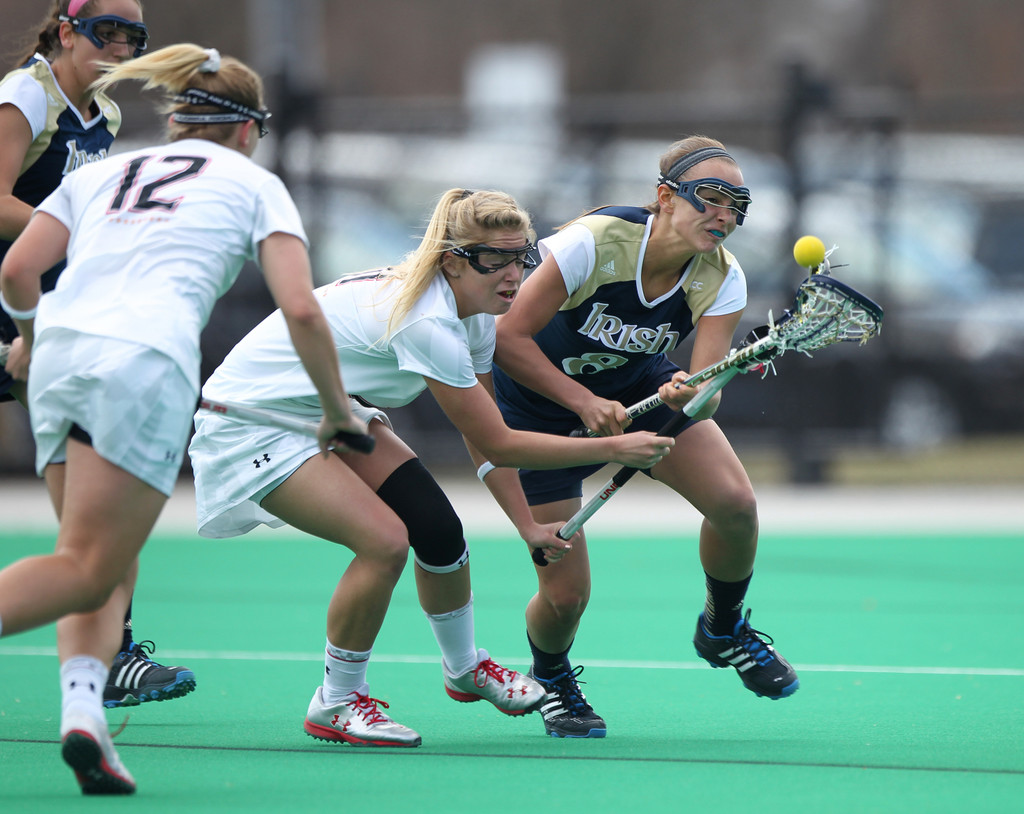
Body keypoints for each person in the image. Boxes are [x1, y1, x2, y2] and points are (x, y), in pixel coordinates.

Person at [0, 43, 368, 794]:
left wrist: (31, 343)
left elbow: (15, 270)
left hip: (62, 355)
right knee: (85, 566)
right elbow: (300, 305)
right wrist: (337, 411)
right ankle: (85, 712)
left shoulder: (99, 171)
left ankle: (84, 717)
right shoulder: (255, 182)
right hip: (143, 363)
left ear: (176, 121)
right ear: (245, 128)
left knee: (95, 559)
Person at [188, 188, 675, 748]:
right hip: (253, 419)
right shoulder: (429, 323)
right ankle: (336, 702)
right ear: (452, 260)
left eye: (522, 257)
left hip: (328, 410)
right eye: (495, 260)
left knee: (439, 532)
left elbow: (484, 435)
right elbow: (503, 441)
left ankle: (465, 668)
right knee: (384, 542)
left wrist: (526, 526)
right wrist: (613, 449)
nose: (513, 274)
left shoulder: (479, 315)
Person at [491, 135, 800, 739]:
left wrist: (696, 391)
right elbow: (508, 339)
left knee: (735, 505)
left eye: (739, 205)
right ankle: (551, 676)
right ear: (665, 197)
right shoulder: (592, 244)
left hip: (641, 390)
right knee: (565, 595)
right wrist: (583, 402)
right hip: (538, 409)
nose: (726, 216)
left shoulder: (721, 277)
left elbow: (707, 393)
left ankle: (723, 627)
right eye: (711, 198)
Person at [0, 0, 196, 710]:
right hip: (11, 303)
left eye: (132, 36)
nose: (117, 46)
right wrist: (90, 228)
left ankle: (112, 656)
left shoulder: (102, 115)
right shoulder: (27, 93)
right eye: (102, 31)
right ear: (63, 30)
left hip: (46, 319)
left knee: (90, 504)